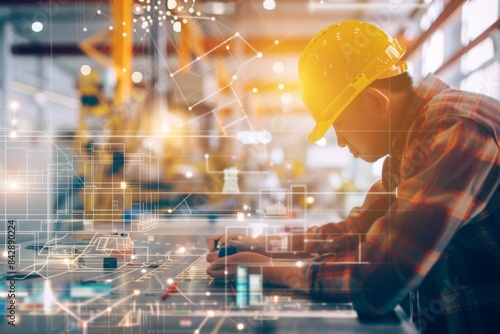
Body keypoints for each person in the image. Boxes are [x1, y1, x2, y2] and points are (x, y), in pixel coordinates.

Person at [206, 20, 500, 333]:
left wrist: (271, 270)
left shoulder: (458, 128)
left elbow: (378, 280)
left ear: (376, 102)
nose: (342, 142)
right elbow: (355, 231)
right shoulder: (409, 149)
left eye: (340, 124)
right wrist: (262, 244)